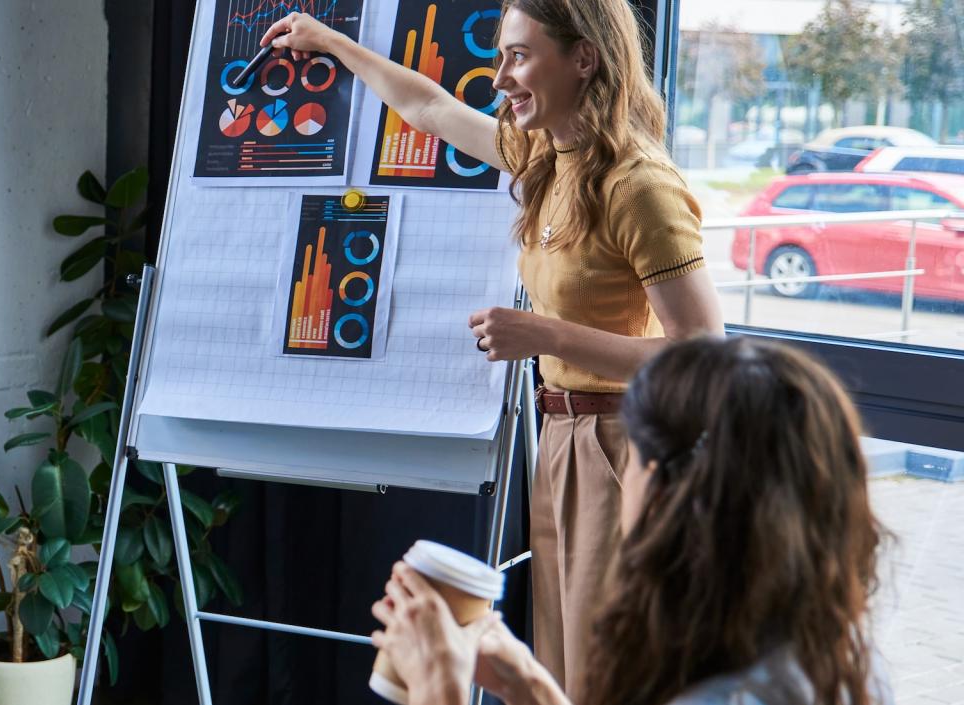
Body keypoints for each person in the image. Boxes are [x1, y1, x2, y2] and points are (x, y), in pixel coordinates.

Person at [263, 1, 725, 694]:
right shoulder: (548, 153)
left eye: (519, 55)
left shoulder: (641, 188)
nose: (500, 75)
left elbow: (704, 354)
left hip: (627, 443)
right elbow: (429, 106)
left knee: (608, 672)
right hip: (566, 434)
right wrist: (332, 43)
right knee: (565, 664)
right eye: (501, 55)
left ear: (584, 58)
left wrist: (545, 335)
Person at [370, 337, 888, 705]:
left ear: (665, 489)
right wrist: (530, 686)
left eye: (631, 456)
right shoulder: (816, 655)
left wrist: (440, 684)